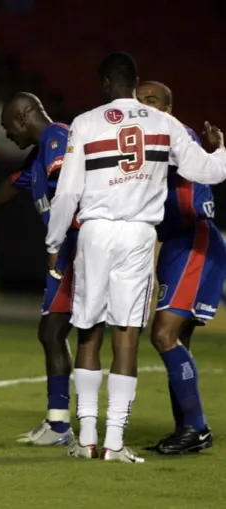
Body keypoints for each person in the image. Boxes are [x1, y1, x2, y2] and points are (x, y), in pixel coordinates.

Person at [45, 52, 226, 463]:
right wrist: (221, 151)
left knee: (88, 331)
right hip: (140, 234)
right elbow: (211, 172)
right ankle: (114, 443)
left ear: (106, 83)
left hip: (95, 231)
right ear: (134, 81)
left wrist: (55, 242)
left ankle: (86, 436)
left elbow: (69, 192)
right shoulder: (166, 125)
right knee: (127, 333)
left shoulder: (86, 122)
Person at [0, 93, 76, 446]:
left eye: (9, 128)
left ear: (24, 118)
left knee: (72, 333)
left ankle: (76, 426)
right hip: (66, 251)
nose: (8, 135)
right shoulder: (38, 155)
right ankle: (59, 423)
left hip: (77, 249)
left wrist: (58, 242)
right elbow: (11, 187)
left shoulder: (58, 138)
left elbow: (70, 189)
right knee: (53, 332)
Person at [136, 81, 224, 454]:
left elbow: (202, 173)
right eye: (140, 102)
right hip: (174, 244)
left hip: (195, 240)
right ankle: (186, 428)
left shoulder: (175, 133)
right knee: (176, 340)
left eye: (153, 101)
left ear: (169, 109)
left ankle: (198, 428)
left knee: (163, 334)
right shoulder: (143, 137)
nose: (146, 108)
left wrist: (217, 151)